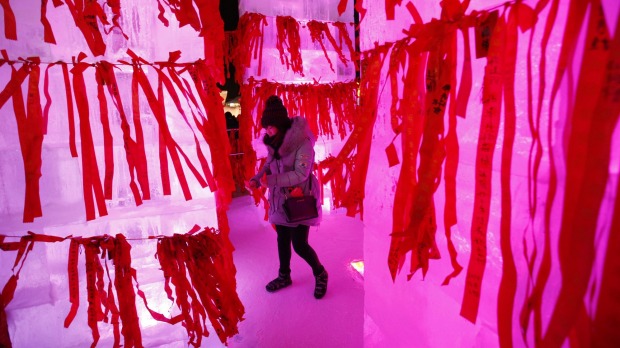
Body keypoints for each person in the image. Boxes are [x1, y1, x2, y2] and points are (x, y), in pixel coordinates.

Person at [249, 95, 328, 299]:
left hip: (299, 197)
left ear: (281, 123)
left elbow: (302, 173)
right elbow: (268, 164)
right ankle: (284, 276)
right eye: (266, 126)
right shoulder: (273, 141)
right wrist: (257, 178)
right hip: (280, 199)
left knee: (300, 244)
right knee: (282, 239)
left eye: (271, 126)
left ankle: (321, 273)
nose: (268, 130)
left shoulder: (302, 141)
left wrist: (272, 181)